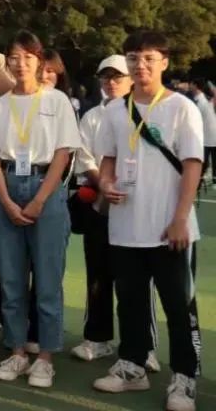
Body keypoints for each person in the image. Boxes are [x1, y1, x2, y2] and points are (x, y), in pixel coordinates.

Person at [92, 31, 204, 411]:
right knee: (130, 303)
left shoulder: (182, 107)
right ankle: (132, 367)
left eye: (149, 58)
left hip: (169, 228)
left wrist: (180, 219)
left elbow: (192, 165)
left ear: (164, 63)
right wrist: (106, 183)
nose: (140, 65)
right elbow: (107, 159)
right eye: (133, 58)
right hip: (126, 227)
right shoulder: (114, 110)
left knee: (178, 307)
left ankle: (184, 379)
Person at [0, 31, 80, 389]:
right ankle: (17, 350)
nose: (20, 63)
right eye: (13, 57)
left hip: (46, 187)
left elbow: (63, 154)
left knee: (48, 279)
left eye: (27, 56)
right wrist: (6, 201)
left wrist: (39, 200)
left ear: (39, 61)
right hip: (7, 186)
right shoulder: (0, 106)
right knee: (10, 279)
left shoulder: (57, 101)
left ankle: (45, 357)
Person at [70, 55, 159, 371]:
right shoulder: (92, 117)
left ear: (130, 79)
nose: (111, 82)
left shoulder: (147, 113)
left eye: (117, 77)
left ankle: (144, 347)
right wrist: (104, 185)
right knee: (98, 276)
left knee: (137, 281)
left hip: (137, 211)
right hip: (99, 207)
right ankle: (97, 338)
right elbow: (84, 158)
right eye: (105, 77)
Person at [187, 78, 216, 185]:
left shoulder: (202, 101)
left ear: (195, 85)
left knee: (203, 163)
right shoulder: (203, 100)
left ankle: (199, 183)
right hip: (205, 138)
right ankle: (200, 183)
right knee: (204, 163)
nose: (189, 86)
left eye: (190, 84)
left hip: (207, 138)